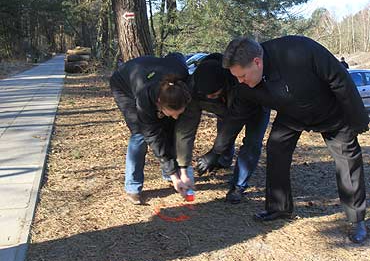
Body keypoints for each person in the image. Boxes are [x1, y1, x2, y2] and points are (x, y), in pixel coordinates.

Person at [196, 35, 369, 243]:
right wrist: (216, 152)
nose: (240, 82)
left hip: (329, 111)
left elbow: (340, 79)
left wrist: (358, 118)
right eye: (236, 78)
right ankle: (279, 208)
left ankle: (356, 219)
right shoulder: (244, 86)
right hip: (292, 115)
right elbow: (235, 119)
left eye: (242, 76)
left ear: (257, 62)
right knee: (276, 148)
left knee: (347, 160)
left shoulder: (300, 50)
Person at [176, 55, 270, 203]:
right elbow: (185, 130)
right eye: (206, 95)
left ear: (225, 84)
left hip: (256, 106)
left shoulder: (241, 82)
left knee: (252, 142)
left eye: (214, 94)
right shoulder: (193, 90)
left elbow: (233, 123)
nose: (209, 97)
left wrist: (214, 152)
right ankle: (224, 160)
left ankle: (238, 186)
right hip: (226, 109)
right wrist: (183, 165)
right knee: (224, 129)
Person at [110, 54, 193, 205]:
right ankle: (133, 187)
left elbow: (177, 57)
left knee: (171, 128)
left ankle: (169, 174)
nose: (176, 117)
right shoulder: (145, 98)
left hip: (152, 72)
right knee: (139, 135)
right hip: (124, 84)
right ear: (159, 103)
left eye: (178, 113)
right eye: (172, 113)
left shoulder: (183, 82)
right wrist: (176, 176)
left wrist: (183, 171)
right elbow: (153, 137)